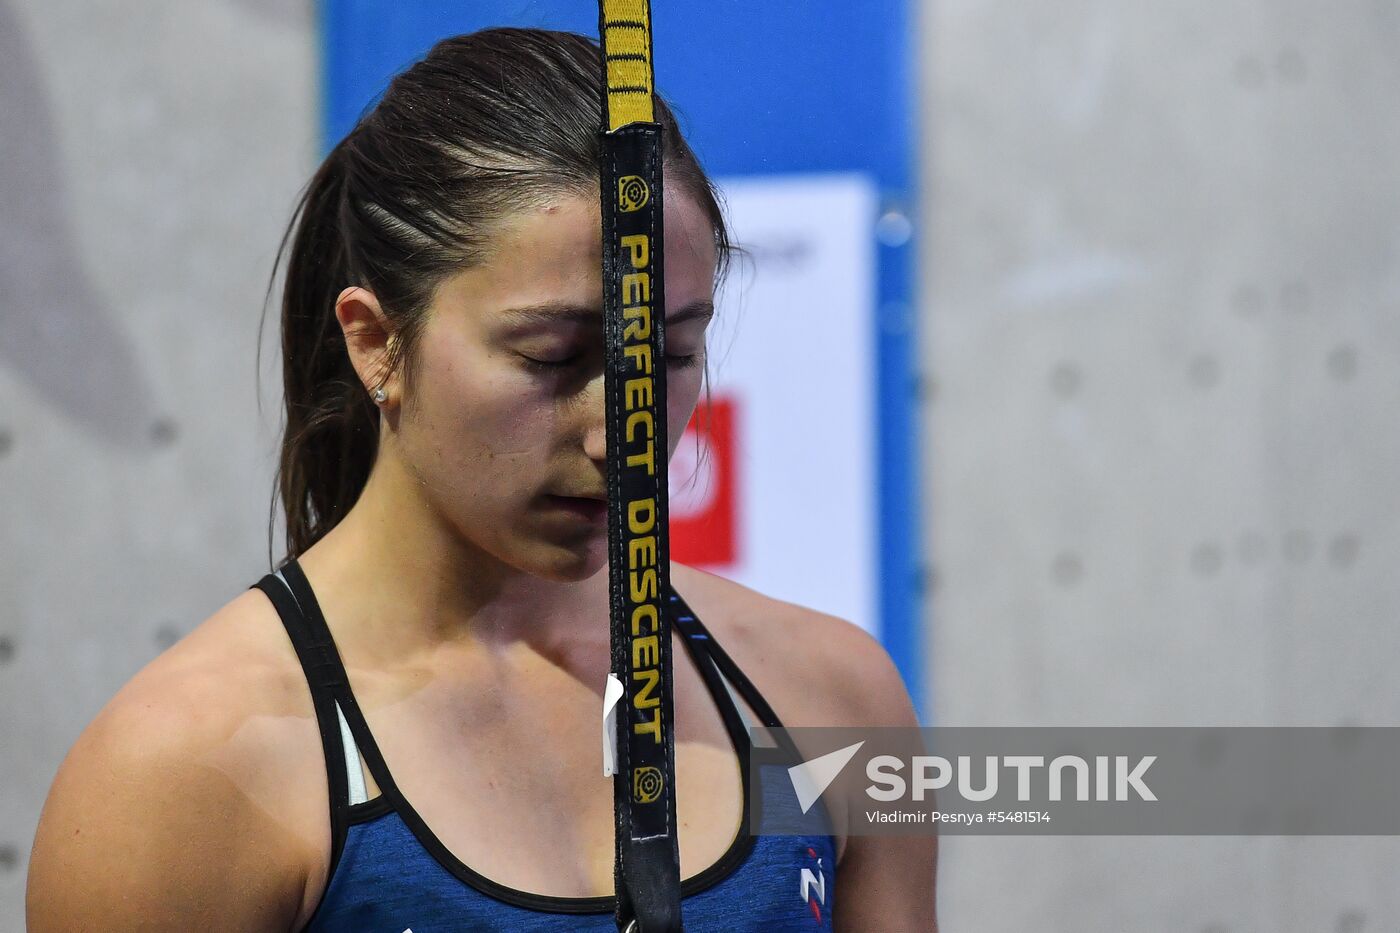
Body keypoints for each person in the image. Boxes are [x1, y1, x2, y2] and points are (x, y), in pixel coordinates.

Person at [26, 28, 935, 931]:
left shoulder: (829, 698)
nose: (624, 432)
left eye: (670, 353)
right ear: (377, 341)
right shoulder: (186, 776)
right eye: (552, 356)